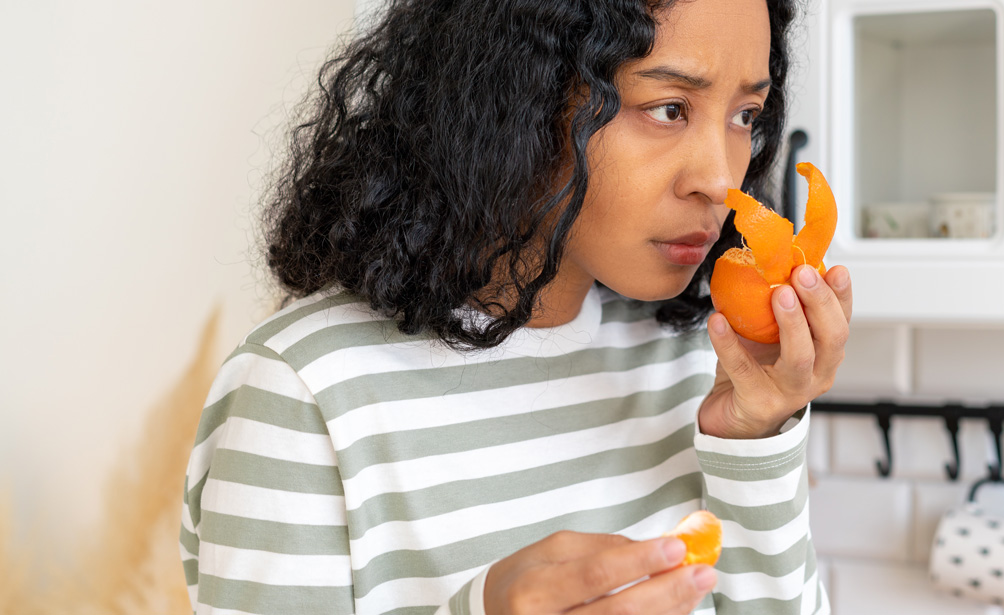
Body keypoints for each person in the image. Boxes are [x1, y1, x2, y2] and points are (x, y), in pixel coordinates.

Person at [180, 0, 851, 612]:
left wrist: (754, 438)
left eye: (745, 116)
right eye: (670, 107)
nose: (718, 178)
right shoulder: (305, 391)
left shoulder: (698, 360)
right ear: (518, 96)